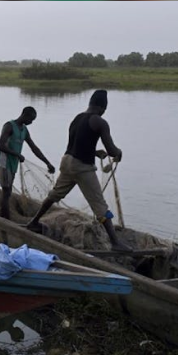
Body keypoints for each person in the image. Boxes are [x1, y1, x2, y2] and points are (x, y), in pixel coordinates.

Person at [26, 90, 131, 252]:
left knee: (55, 194)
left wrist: (95, 152)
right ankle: (115, 243)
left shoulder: (77, 118)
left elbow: (78, 143)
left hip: (67, 161)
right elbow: (111, 150)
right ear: (103, 107)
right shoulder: (100, 122)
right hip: (82, 167)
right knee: (100, 205)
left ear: (90, 103)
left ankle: (34, 222)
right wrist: (119, 153)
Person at [0, 106, 56, 220]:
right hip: (4, 163)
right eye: (31, 119)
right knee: (6, 191)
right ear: (25, 115)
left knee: (8, 191)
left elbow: (34, 148)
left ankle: (4, 216)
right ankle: (5, 219)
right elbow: (0, 145)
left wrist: (47, 163)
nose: (31, 122)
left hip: (13, 164)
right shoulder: (9, 126)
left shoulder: (24, 130)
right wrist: (17, 155)